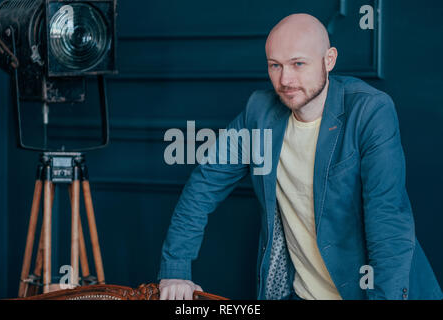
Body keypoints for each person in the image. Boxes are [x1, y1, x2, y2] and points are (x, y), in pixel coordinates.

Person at [157, 13, 443, 300]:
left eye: (298, 63)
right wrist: (175, 268)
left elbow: (388, 222)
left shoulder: (369, 112)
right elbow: (204, 184)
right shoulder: (259, 112)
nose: (285, 79)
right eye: (275, 65)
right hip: (300, 294)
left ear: (328, 60)